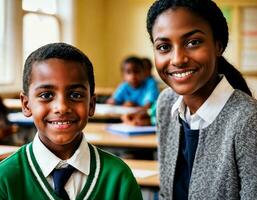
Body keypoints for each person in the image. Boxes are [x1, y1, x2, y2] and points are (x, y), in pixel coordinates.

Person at [0, 43, 143, 200]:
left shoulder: (118, 177)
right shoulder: (5, 178)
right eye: (46, 95)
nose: (61, 107)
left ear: (91, 104)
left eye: (75, 95)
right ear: (26, 105)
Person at [146, 0, 257, 199]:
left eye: (193, 42)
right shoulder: (166, 103)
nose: (178, 59)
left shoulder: (247, 119)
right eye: (164, 46)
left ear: (218, 46)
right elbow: (166, 193)